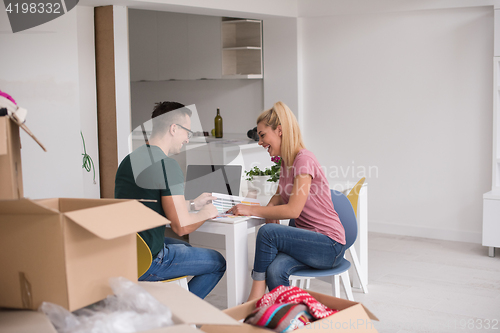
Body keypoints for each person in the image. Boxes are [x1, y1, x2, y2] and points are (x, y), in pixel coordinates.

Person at [227, 101, 346, 301]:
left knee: (268, 233)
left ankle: (255, 298)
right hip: (308, 241)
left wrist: (251, 210)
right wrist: (271, 207)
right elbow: (280, 195)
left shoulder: (304, 160)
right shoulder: (287, 162)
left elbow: (293, 210)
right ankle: (289, 316)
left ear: (279, 131)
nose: (259, 142)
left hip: (329, 245)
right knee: (275, 270)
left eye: (263, 135)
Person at [115, 101, 226, 299]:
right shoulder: (167, 165)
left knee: (187, 249)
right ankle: (177, 316)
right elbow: (182, 227)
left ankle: (167, 305)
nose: (187, 140)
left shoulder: (129, 160)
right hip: (150, 259)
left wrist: (192, 204)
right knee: (217, 262)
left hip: (125, 254)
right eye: (187, 133)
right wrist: (206, 212)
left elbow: (151, 204)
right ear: (174, 128)